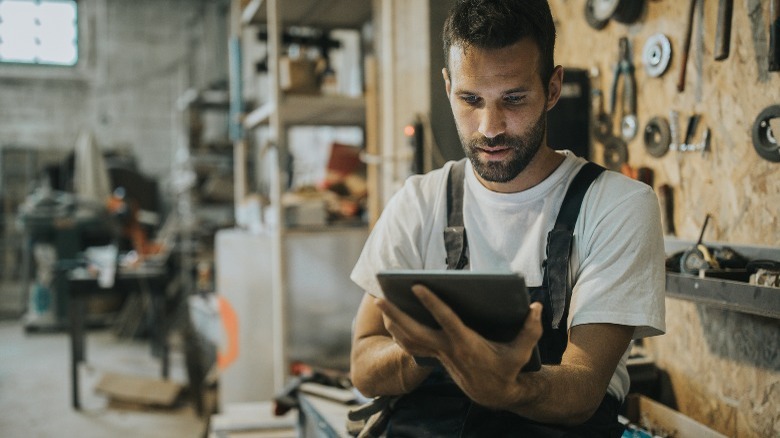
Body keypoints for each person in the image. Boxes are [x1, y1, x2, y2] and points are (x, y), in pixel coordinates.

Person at [349, 0, 666, 436]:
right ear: (448, 87)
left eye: (513, 99)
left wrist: (510, 389)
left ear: (552, 89)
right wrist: (428, 351)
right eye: (470, 99)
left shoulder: (617, 206)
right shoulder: (420, 201)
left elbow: (582, 390)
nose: (489, 127)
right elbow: (364, 365)